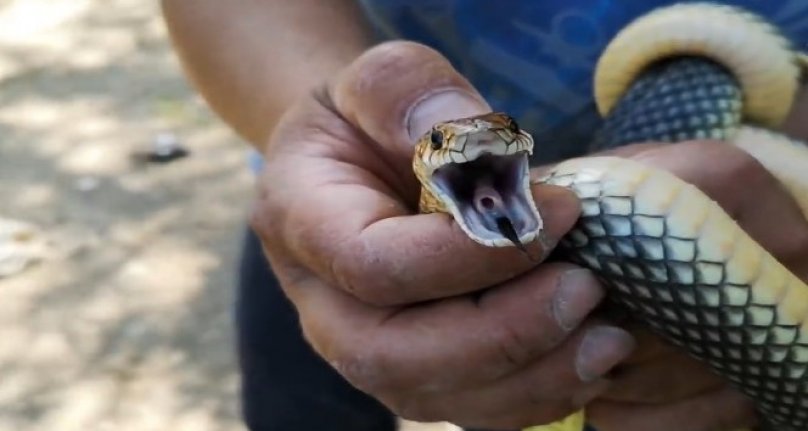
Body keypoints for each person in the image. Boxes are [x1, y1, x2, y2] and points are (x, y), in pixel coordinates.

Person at [160, 1, 808, 430]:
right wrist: (321, 134)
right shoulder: (411, 187)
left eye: (492, 136)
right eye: (448, 142)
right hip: (358, 211)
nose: (468, 138)